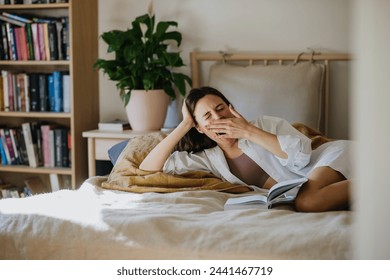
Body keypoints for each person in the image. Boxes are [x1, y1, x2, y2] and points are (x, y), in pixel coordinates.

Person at [140, 86, 351, 212]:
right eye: (207, 117)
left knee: (308, 201)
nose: (218, 117)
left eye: (220, 108)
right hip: (306, 187)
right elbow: (148, 168)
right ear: (200, 128)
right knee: (310, 200)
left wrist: (248, 131)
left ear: (231, 108)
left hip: (331, 158)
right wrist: (184, 125)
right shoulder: (208, 159)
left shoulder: (263, 124)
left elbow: (302, 155)